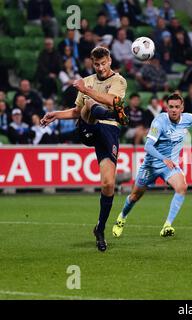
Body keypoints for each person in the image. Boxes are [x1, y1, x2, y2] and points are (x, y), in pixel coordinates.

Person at [40, 47, 128, 252]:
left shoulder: (119, 80)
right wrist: (56, 114)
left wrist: (85, 90)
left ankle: (100, 228)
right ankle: (113, 115)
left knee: (108, 184)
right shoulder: (87, 81)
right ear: (92, 63)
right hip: (89, 126)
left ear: (109, 60)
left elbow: (112, 99)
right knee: (89, 103)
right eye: (96, 64)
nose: (100, 67)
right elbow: (79, 111)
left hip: (109, 133)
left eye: (103, 63)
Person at [112, 93, 192, 238]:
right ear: (166, 107)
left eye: (177, 107)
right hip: (151, 165)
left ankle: (167, 225)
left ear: (182, 108)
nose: (174, 110)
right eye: (171, 107)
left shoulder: (188, 118)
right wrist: (163, 158)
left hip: (169, 166)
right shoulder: (159, 121)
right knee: (135, 196)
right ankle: (121, 218)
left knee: (182, 187)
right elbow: (148, 146)